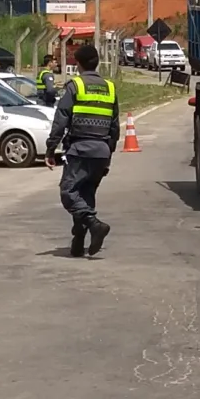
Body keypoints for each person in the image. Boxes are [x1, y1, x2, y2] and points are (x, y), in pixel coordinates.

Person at [46, 41, 118, 256]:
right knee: (85, 195)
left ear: (78, 64)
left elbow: (61, 120)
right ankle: (78, 241)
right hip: (102, 152)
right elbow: (115, 126)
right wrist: (109, 155)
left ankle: (94, 225)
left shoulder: (75, 86)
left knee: (68, 192)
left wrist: (51, 149)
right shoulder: (110, 88)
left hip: (80, 149)